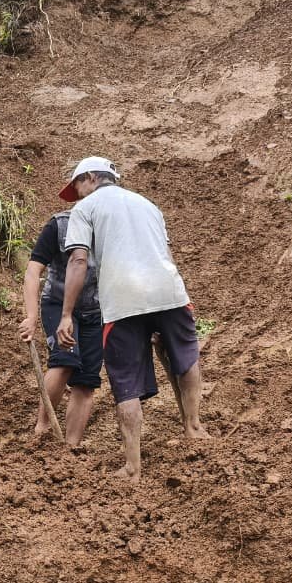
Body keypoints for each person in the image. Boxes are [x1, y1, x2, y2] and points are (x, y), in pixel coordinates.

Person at [55, 157, 209, 482]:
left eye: (78, 187)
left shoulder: (85, 209)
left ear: (92, 178)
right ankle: (194, 428)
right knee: (186, 356)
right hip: (168, 290)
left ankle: (132, 468)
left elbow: (79, 260)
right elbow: (164, 253)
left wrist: (66, 313)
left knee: (125, 384)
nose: (78, 195)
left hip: (122, 298)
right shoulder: (148, 204)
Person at [18, 209, 103, 446]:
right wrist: (32, 315)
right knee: (65, 360)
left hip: (96, 308)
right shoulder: (59, 224)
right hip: (58, 302)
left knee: (86, 381)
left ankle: (71, 449)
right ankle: (42, 431)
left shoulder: (113, 224)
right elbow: (33, 270)